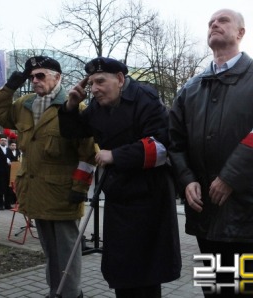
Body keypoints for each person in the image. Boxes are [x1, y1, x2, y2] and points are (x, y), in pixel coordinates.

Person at [168, 9, 253, 297]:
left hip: (243, 203)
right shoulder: (190, 88)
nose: (214, 25)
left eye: (222, 21)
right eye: (210, 22)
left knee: (245, 290)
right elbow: (175, 141)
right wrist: (186, 180)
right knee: (213, 288)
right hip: (202, 207)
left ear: (240, 33)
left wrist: (230, 178)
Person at [59, 57, 181, 298]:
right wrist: (71, 106)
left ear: (120, 79)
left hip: (148, 197)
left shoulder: (145, 98)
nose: (94, 89)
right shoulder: (97, 106)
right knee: (121, 268)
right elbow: (75, 132)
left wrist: (115, 155)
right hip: (118, 195)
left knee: (145, 272)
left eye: (100, 81)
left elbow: (161, 147)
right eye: (91, 83)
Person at [0, 55, 96, 298]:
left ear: (58, 78)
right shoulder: (25, 105)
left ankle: (70, 294)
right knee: (49, 251)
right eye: (31, 76)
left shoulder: (73, 107)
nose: (34, 80)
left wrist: (79, 187)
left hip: (63, 193)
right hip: (36, 192)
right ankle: (54, 292)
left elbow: (88, 153)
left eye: (40, 75)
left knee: (67, 252)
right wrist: (11, 86)